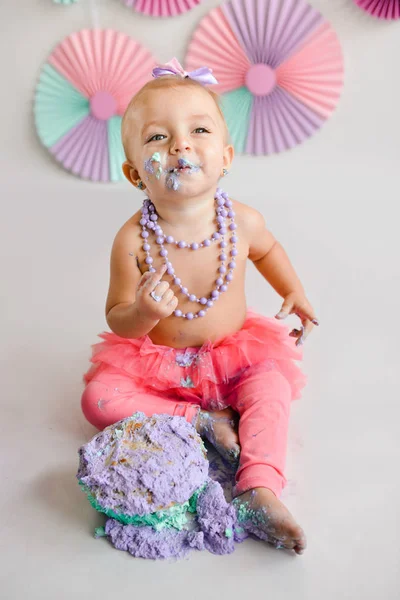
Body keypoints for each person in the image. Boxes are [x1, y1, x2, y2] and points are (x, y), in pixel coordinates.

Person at [81, 58, 319, 555]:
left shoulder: (243, 221)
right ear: (132, 173)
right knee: (98, 397)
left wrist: (292, 291)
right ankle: (200, 423)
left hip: (234, 356)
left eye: (198, 130)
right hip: (159, 372)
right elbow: (117, 317)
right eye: (157, 138)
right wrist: (143, 311)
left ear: (226, 155)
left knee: (271, 385)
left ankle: (258, 487)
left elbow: (269, 251)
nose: (180, 145)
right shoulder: (132, 240)